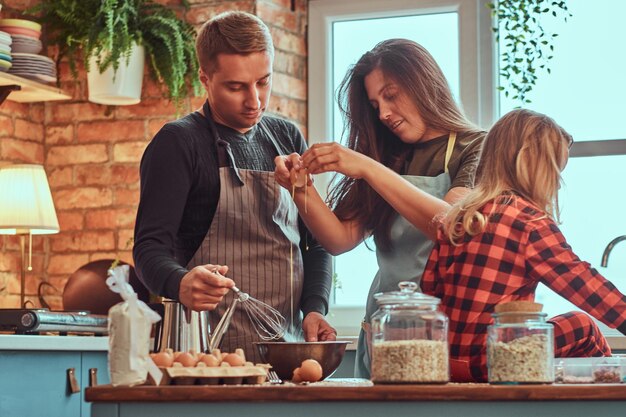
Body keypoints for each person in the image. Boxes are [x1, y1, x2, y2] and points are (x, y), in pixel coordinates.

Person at [274, 39, 485, 377]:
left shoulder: (476, 146)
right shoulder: (388, 156)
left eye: (391, 95)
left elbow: (447, 224)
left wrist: (366, 167)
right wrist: (299, 188)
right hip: (385, 323)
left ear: (424, 83)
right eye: (375, 105)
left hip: (449, 323)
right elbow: (339, 239)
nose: (384, 113)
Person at [133, 11, 336, 361]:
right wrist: (181, 283)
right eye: (236, 86)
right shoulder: (178, 143)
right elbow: (148, 251)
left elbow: (316, 243)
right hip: (203, 357)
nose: (254, 101)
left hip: (285, 354)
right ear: (205, 79)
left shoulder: (287, 137)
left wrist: (315, 308)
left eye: (263, 82)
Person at [421, 108, 626, 382]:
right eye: (554, 172)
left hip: (445, 362)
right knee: (583, 326)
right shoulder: (528, 222)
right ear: (530, 164)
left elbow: (428, 292)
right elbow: (583, 284)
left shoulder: (458, 218)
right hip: (493, 361)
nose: (557, 184)